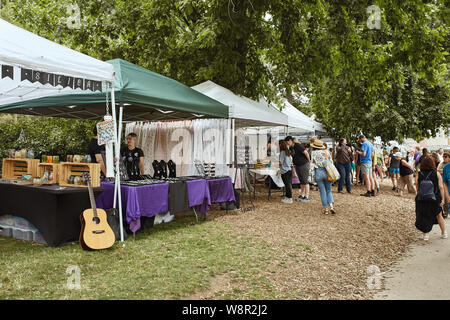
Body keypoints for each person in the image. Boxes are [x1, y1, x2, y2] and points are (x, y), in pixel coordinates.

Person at [415, 156, 447, 240]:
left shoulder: (419, 173)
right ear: (432, 164)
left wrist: (418, 195)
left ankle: (425, 235)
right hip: (435, 198)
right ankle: (444, 233)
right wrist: (443, 199)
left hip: (422, 198)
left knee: (424, 215)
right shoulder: (436, 173)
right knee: (439, 215)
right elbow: (441, 187)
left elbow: (417, 186)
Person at [309, 139, 336, 215]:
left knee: (322, 191)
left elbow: (311, 165)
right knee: (328, 190)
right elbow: (331, 162)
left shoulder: (313, 153)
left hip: (318, 172)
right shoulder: (327, 152)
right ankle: (331, 206)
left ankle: (326, 209)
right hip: (327, 172)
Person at [285, 136, 311, 202]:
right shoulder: (291, 147)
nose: (287, 143)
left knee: (305, 180)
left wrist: (309, 161)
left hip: (304, 164)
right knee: (301, 180)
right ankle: (302, 195)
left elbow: (306, 153)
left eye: (287, 141)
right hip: (297, 165)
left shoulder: (298, 145)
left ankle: (306, 196)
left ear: (291, 140)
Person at [441, 152, 450, 218]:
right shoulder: (446, 167)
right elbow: (445, 183)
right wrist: (447, 195)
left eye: (446, 157)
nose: (444, 158)